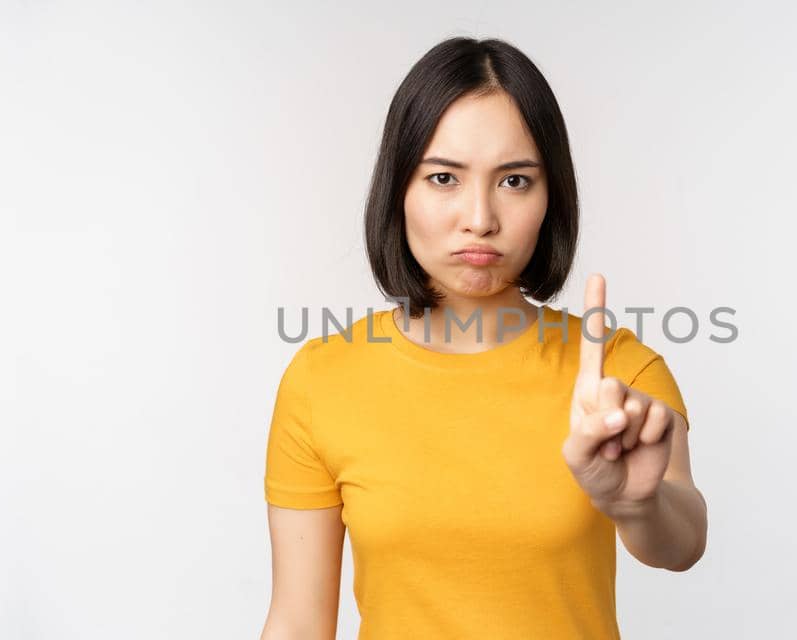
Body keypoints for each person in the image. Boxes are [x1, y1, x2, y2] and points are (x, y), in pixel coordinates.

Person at [261, 36, 708, 640]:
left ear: (551, 196)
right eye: (443, 177)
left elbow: (683, 543)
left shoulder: (617, 373)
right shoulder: (322, 379)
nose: (480, 217)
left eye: (515, 181)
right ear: (399, 189)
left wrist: (637, 504)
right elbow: (296, 622)